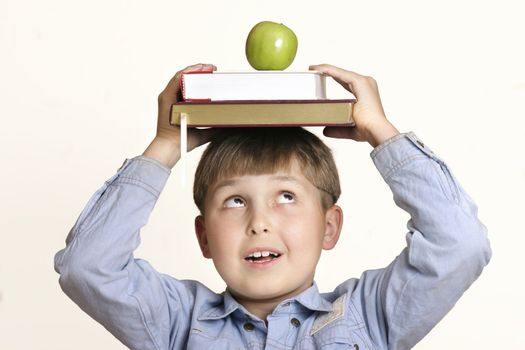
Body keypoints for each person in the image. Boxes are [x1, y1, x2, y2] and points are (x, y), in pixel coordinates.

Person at [54, 63, 491, 349]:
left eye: (286, 197)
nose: (259, 222)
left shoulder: (369, 316)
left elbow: (459, 245)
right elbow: (88, 267)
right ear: (204, 235)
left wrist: (382, 132)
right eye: (235, 201)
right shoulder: (176, 323)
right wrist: (166, 145)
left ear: (329, 226)